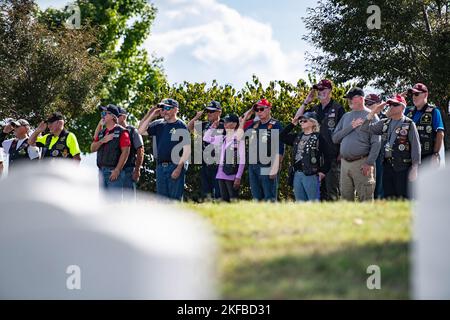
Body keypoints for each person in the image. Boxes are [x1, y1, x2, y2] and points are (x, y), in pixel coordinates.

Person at [356, 95, 421, 199]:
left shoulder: (409, 124)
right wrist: (373, 112)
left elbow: (416, 147)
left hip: (403, 168)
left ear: (402, 107)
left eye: (394, 104)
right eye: (390, 104)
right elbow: (364, 128)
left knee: (403, 198)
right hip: (387, 166)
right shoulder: (384, 122)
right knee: (389, 198)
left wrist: (415, 168)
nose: (390, 107)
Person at [295, 79, 345, 201]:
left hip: (332, 158)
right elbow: (296, 120)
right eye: (318, 90)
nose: (320, 92)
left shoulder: (338, 108)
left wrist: (341, 153)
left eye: (322, 89)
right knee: (317, 194)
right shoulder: (314, 109)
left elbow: (344, 132)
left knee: (332, 192)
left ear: (330, 90)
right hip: (314, 159)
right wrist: (306, 102)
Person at [332, 87, 381, 202]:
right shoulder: (346, 116)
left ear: (360, 98)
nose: (348, 100)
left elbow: (376, 143)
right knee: (345, 200)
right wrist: (351, 127)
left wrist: (369, 163)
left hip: (362, 163)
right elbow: (335, 138)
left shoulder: (372, 116)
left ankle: (368, 221)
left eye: (351, 98)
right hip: (344, 164)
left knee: (366, 200)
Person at [138, 98, 191, 201]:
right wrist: (152, 115)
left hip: (175, 166)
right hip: (160, 167)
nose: (164, 111)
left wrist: (179, 168)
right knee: (162, 202)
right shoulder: (158, 124)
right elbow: (140, 131)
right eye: (163, 108)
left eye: (167, 108)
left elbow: (187, 150)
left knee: (174, 201)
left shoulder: (181, 125)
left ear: (175, 110)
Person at [240, 98, 284, 202]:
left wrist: (276, 166)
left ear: (269, 109)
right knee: (256, 198)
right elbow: (240, 128)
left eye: (262, 109)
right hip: (253, 166)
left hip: (267, 165)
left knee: (269, 197)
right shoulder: (255, 124)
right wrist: (250, 112)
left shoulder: (275, 124)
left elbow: (281, 147)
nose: (259, 112)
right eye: (257, 109)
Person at [280, 112, 331, 201]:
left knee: (313, 203)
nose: (302, 122)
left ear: (312, 122)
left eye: (305, 120)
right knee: (300, 204)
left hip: (311, 175)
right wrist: (292, 124)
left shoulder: (319, 138)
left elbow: (328, 155)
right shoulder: (297, 136)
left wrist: (323, 171)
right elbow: (281, 137)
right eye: (301, 121)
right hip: (297, 174)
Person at [203, 114, 245, 202]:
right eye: (224, 122)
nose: (225, 124)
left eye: (227, 122)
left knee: (233, 200)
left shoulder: (238, 139)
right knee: (224, 201)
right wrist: (213, 127)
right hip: (221, 172)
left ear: (234, 124)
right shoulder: (222, 138)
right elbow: (206, 138)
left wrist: (238, 177)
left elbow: (242, 159)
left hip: (232, 173)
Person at [188, 101, 223, 200]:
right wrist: (196, 117)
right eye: (207, 111)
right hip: (205, 166)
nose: (209, 113)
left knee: (219, 196)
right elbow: (188, 128)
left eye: (211, 111)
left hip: (218, 166)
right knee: (206, 196)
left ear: (219, 112)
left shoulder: (224, 124)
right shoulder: (204, 125)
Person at [90, 105, 131, 192]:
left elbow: (125, 152)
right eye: (102, 113)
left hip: (113, 172)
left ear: (113, 116)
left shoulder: (122, 132)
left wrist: (117, 170)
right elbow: (92, 148)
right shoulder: (101, 133)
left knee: (114, 204)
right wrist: (102, 141)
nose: (102, 115)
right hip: (101, 172)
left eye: (105, 113)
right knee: (103, 204)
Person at [404, 83, 445, 166]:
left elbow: (440, 134)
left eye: (417, 94)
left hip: (426, 157)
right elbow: (391, 115)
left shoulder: (434, 111)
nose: (414, 97)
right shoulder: (408, 111)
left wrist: (435, 154)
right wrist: (399, 97)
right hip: (408, 156)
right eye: (412, 94)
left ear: (425, 94)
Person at [117, 107, 144, 195]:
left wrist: (137, 170)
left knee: (128, 200)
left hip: (128, 170)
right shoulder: (114, 131)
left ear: (124, 117)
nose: (115, 117)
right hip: (115, 170)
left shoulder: (133, 131)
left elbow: (140, 150)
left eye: (118, 115)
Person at [365, 93, 384, 199]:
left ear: (379, 104)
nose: (367, 106)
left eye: (370, 104)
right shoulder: (365, 119)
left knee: (379, 188)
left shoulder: (387, 119)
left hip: (381, 158)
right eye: (365, 103)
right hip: (366, 156)